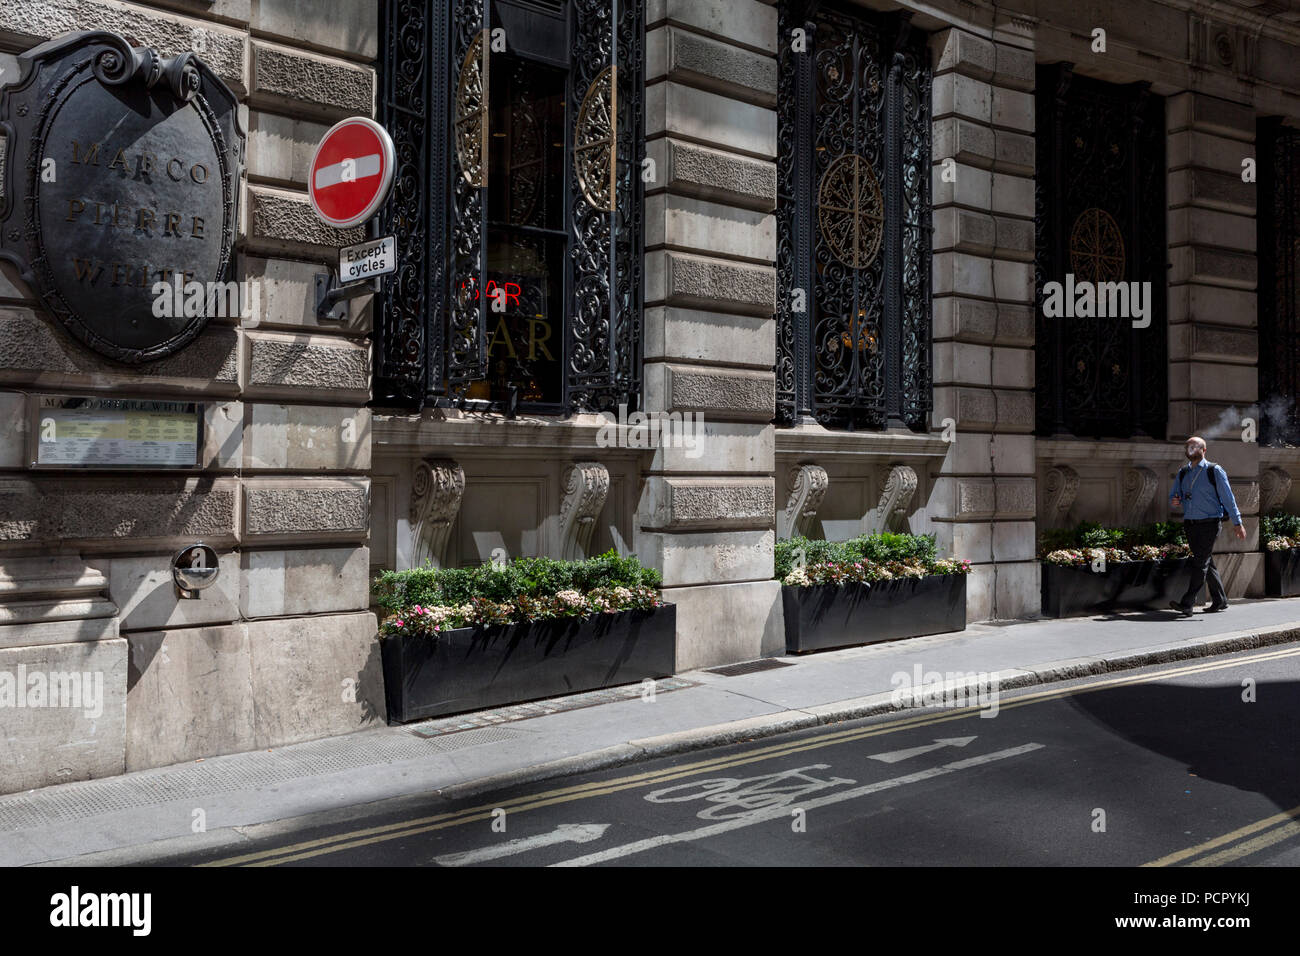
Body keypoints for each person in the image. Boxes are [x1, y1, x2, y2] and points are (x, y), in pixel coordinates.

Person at [1168, 436, 1246, 616]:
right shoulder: (1182, 473)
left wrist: (1237, 522)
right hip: (1190, 524)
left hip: (1210, 524)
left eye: (1194, 446)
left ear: (1203, 450)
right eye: (1188, 447)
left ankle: (1187, 603)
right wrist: (1175, 500)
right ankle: (1220, 600)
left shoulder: (1214, 470)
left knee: (1200, 562)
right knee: (1205, 561)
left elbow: (1228, 498)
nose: (1191, 449)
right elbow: (1174, 498)